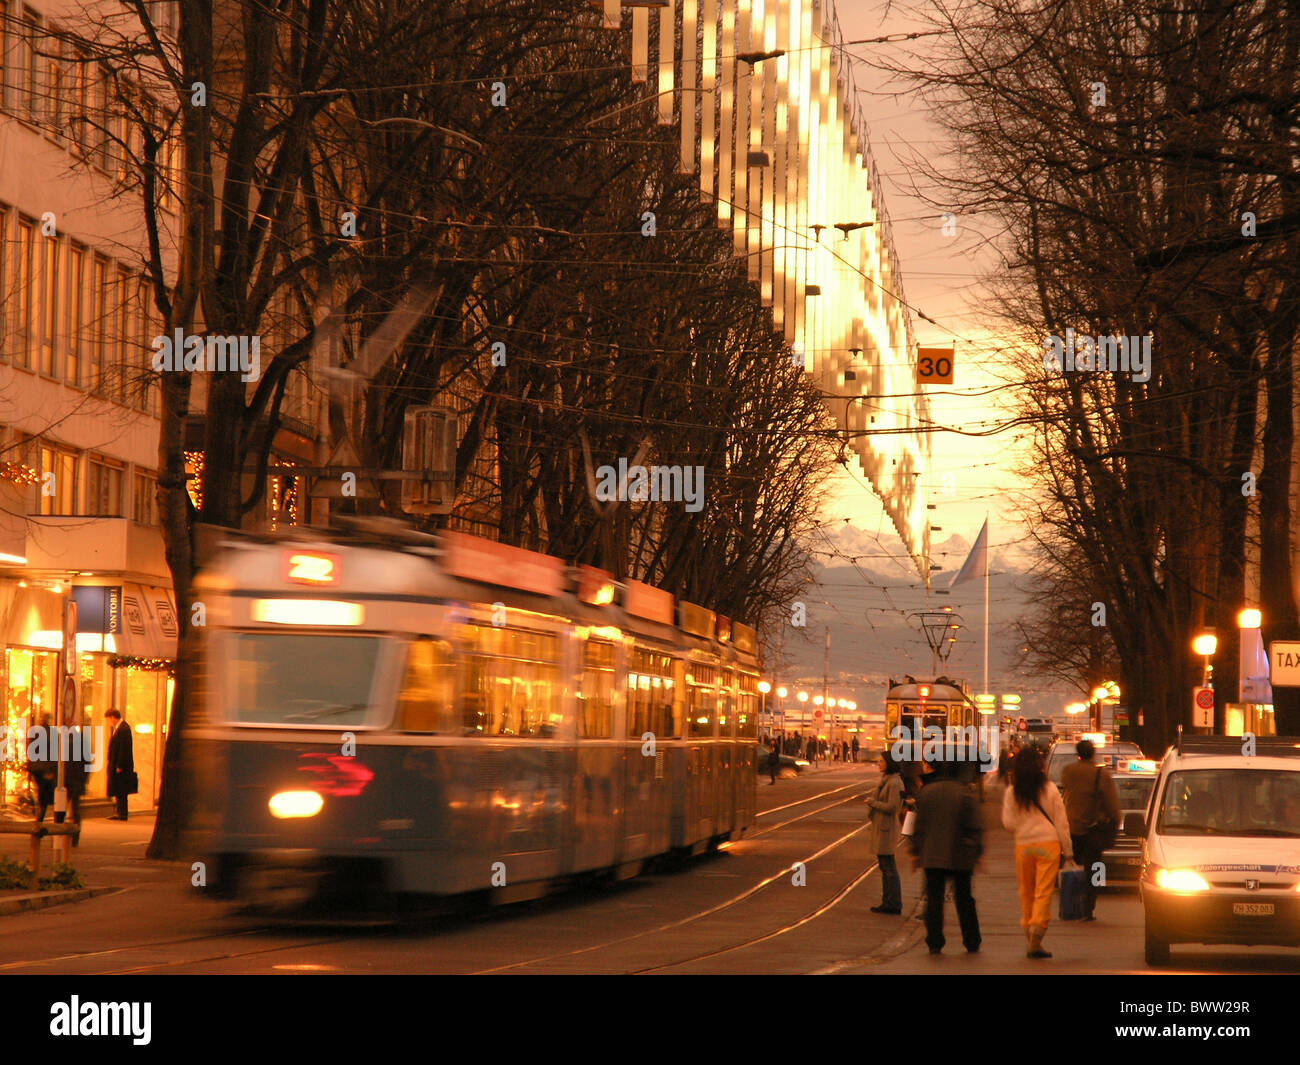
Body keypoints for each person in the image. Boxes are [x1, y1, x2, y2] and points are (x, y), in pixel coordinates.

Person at [1002, 746, 1074, 958]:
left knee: (1026, 891)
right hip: (1049, 844)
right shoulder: (1050, 789)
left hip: (1023, 845)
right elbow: (1062, 823)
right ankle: (1037, 932)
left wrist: (1023, 826)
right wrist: (1068, 851)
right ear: (1040, 766)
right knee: (1044, 892)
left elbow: (1008, 823)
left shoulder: (1012, 792)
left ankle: (1029, 932)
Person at [910, 758, 983, 954]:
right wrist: (978, 852)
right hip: (961, 855)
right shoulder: (965, 793)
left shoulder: (926, 792)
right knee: (964, 899)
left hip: (932, 855)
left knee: (934, 899)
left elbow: (919, 826)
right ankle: (971, 939)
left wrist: (915, 853)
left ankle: (934, 941)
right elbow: (975, 826)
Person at [1060, 739, 1121, 921]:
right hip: (1093, 828)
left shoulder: (1068, 771)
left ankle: (1072, 902)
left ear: (1077, 753)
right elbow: (1112, 805)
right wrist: (1114, 822)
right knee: (1095, 867)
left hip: (1072, 826)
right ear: (1093, 753)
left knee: (1074, 866)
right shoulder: (1101, 774)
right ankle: (1089, 906)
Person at [866, 752, 905, 913]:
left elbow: (893, 807)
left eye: (881, 761)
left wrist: (872, 803)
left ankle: (893, 903)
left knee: (888, 867)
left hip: (886, 828)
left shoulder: (894, 783)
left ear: (889, 763)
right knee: (885, 866)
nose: (878, 763)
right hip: (882, 827)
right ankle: (888, 901)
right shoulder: (886, 781)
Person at [26, 714, 56, 822]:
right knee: (44, 794)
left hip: (36, 768)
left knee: (41, 791)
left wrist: (30, 767)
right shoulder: (52, 733)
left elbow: (30, 750)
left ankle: (39, 815)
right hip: (46, 768)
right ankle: (39, 817)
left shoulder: (34, 732)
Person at [105, 709, 134, 820]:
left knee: (121, 789)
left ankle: (122, 813)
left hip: (121, 766)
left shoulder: (124, 729)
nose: (109, 722)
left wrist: (119, 765)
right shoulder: (119, 728)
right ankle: (120, 811)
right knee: (118, 789)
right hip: (116, 764)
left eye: (108, 719)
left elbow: (124, 749)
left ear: (113, 717)